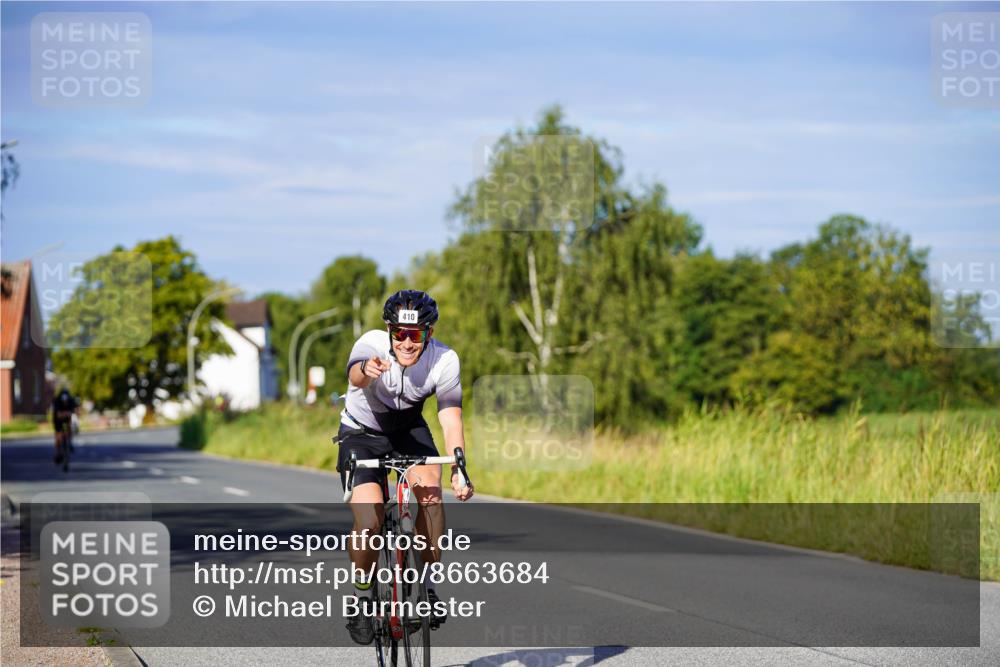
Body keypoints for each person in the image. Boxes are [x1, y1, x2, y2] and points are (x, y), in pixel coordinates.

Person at [337, 289, 474, 645]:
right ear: (389, 331)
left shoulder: (444, 360)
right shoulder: (371, 344)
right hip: (361, 432)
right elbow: (354, 375)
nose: (407, 343)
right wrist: (367, 370)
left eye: (416, 335)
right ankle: (363, 595)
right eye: (400, 333)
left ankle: (426, 587)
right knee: (369, 520)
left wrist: (459, 466)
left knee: (431, 498)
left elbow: (450, 417)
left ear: (428, 333)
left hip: (408, 430)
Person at [51, 387, 78, 464]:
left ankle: (69, 441)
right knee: (58, 435)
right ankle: (58, 451)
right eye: (64, 401)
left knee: (70, 425)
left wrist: (72, 414)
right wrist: (65, 413)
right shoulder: (57, 401)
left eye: (66, 401)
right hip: (57, 419)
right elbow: (57, 415)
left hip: (67, 418)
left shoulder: (71, 401)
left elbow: (75, 411)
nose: (65, 402)